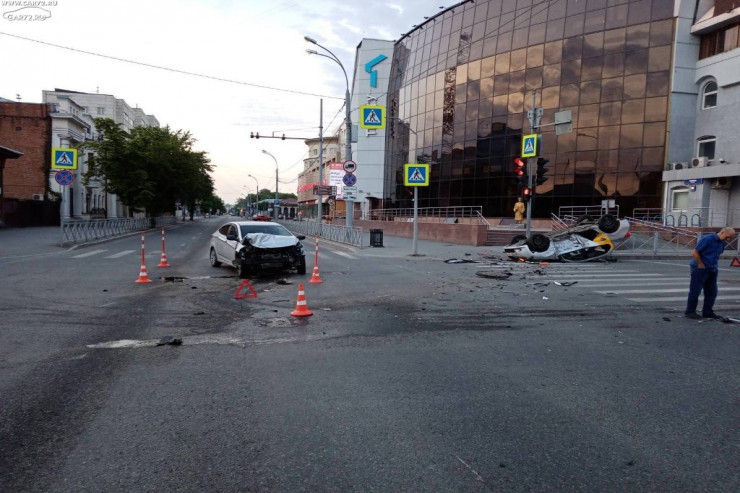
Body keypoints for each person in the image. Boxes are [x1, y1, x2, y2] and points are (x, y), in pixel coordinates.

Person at [685, 227, 737, 319]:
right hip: (700, 268)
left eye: (730, 238)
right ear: (722, 232)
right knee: (695, 291)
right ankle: (690, 311)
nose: (728, 240)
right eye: (727, 237)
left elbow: (716, 255)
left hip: (712, 268)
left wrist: (714, 266)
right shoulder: (708, 239)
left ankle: (707, 312)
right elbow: (695, 252)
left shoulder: (722, 242)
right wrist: (701, 265)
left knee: (712, 292)